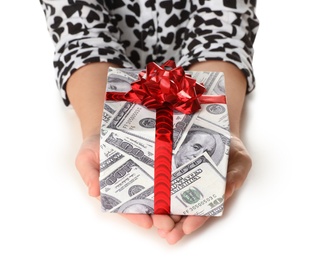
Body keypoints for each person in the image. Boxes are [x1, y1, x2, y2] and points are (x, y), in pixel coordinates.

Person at [39, 0, 259, 244]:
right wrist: (97, 129)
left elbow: (221, 31)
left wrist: (224, 126)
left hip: (201, 86)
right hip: (100, 83)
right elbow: (81, 35)